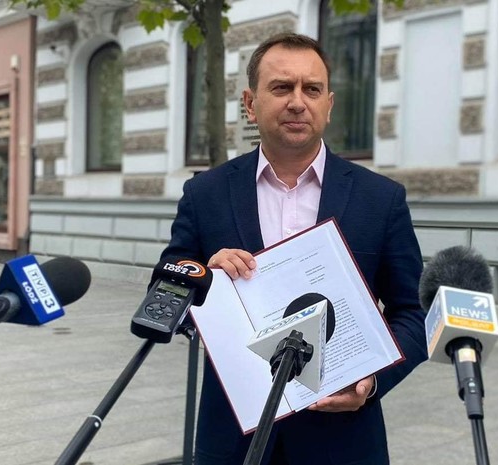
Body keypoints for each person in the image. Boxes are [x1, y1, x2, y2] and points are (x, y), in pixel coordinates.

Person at [160, 33, 427, 464]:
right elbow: (165, 291)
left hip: (342, 442)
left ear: (329, 104)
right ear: (250, 103)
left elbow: (413, 314)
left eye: (312, 89)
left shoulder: (381, 200)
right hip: (232, 438)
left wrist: (372, 382)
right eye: (282, 87)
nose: (298, 102)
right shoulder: (204, 193)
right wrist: (205, 280)